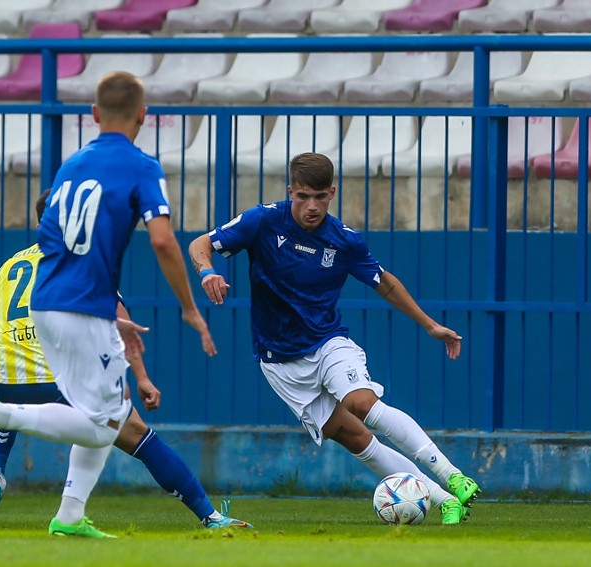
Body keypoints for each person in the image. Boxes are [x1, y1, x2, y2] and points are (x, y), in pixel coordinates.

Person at [0, 70, 216, 538]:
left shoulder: (70, 166)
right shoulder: (142, 166)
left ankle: (69, 516)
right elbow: (165, 242)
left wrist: (104, 313)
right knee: (107, 425)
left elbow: (54, 246)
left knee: (106, 412)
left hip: (49, 303)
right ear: (143, 115)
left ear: (93, 115)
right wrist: (189, 308)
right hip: (81, 307)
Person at [187, 152, 481, 525]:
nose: (311, 206)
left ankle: (451, 474)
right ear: (290, 191)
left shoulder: (344, 240)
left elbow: (385, 283)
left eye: (320, 197)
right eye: (303, 197)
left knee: (361, 402)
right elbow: (200, 245)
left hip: (328, 343)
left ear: (332, 193)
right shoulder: (261, 221)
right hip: (279, 360)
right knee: (354, 437)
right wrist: (207, 273)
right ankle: (444, 502)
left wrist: (429, 324)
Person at [0, 189, 251, 531]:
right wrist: (141, 378)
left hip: (9, 378)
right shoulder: (83, 261)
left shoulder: (9, 266)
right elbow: (121, 326)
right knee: (136, 434)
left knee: (9, 403)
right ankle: (210, 516)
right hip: (60, 380)